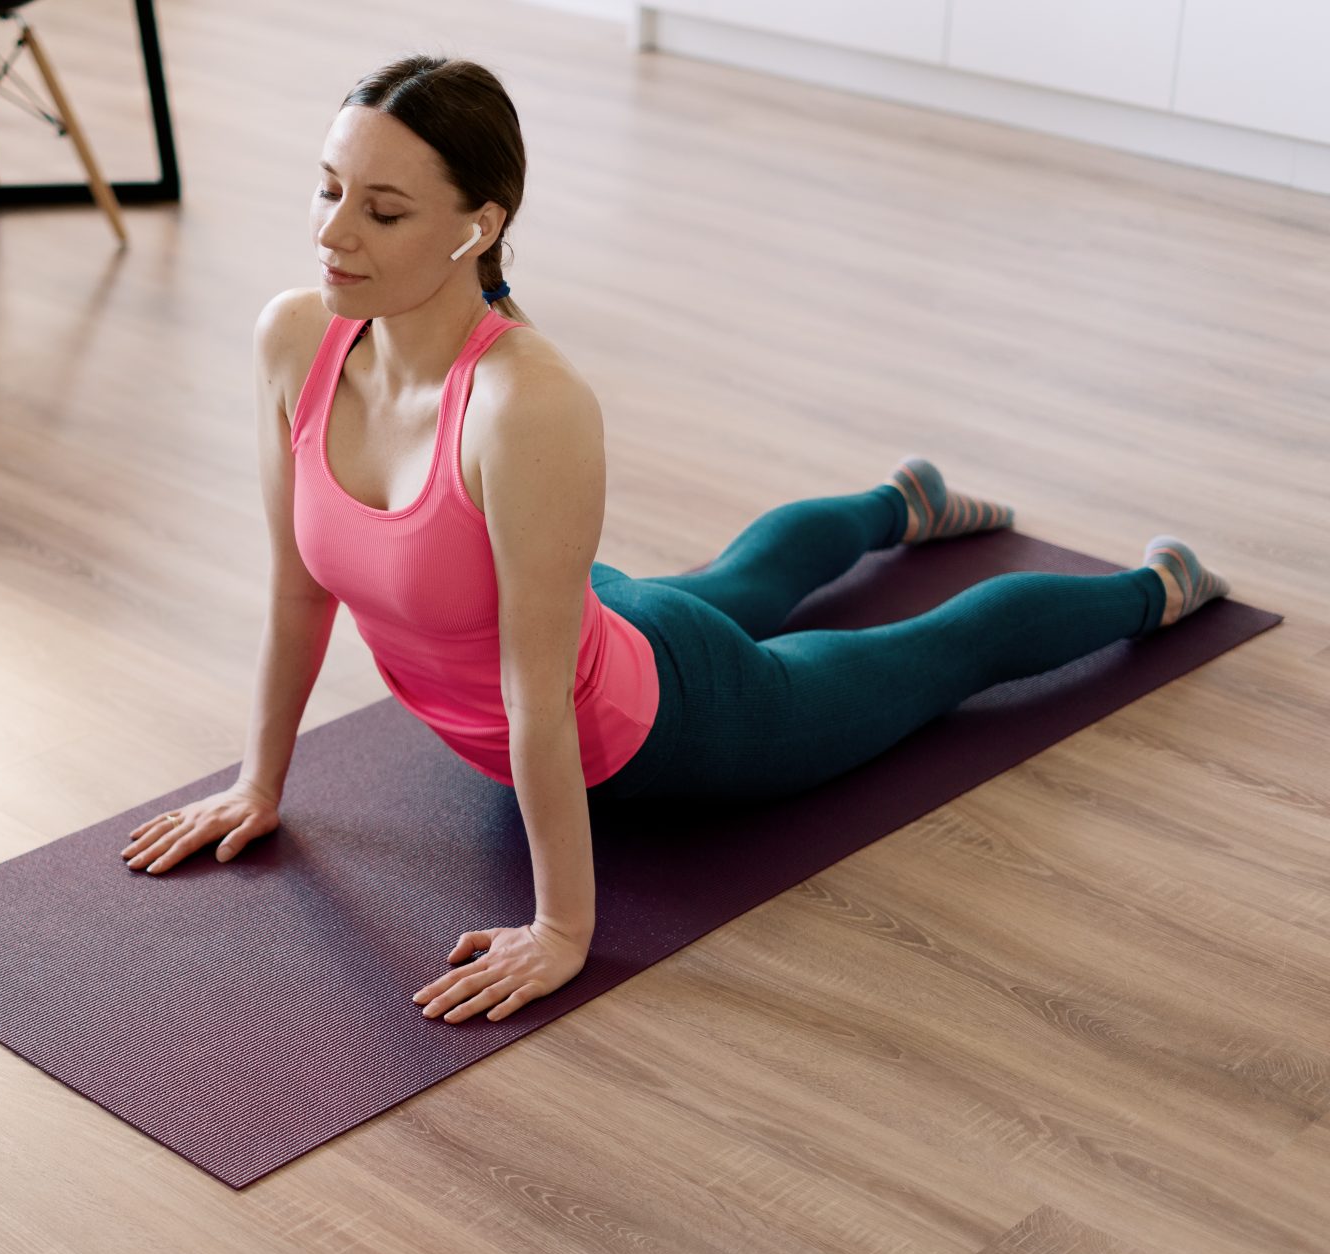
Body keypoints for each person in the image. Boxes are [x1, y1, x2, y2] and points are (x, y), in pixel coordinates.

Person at [117, 54, 1232, 1027]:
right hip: (575, 621)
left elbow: (539, 696)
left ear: (477, 225)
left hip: (672, 720)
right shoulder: (295, 337)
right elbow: (298, 590)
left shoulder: (525, 404)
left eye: (382, 210)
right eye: (325, 188)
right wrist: (259, 785)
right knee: (736, 578)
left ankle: (1151, 589)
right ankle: (902, 502)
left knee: (927, 658)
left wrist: (560, 928)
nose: (329, 232)